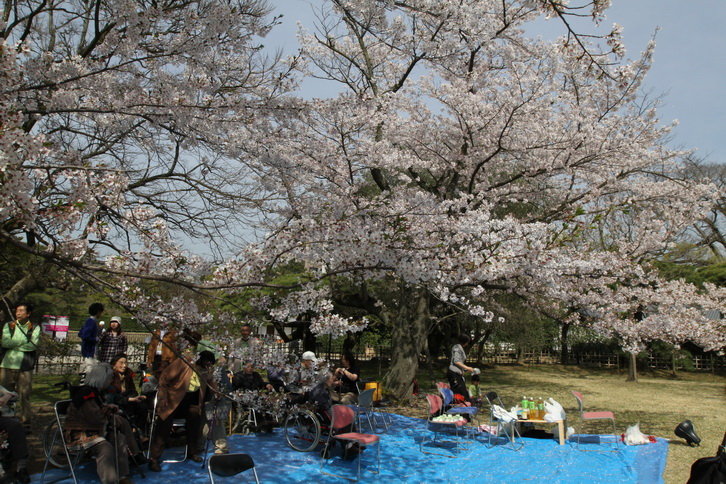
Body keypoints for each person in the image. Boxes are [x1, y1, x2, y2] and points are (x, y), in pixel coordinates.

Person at [65, 363, 136, 484]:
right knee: (105, 447)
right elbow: (95, 417)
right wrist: (109, 411)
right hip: (80, 434)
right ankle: (111, 481)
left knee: (119, 438)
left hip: (95, 431)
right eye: (109, 379)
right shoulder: (85, 394)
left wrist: (107, 408)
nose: (110, 381)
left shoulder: (96, 392)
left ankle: (122, 476)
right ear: (101, 378)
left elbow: (98, 412)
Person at [148, 350, 216, 472]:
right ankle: (154, 458)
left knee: (195, 420)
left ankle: (192, 452)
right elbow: (165, 377)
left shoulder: (205, 371)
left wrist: (217, 392)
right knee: (164, 425)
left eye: (209, 365)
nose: (207, 367)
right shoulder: (184, 362)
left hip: (192, 401)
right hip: (173, 399)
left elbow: (211, 383)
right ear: (200, 360)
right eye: (206, 364)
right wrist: (163, 396)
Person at [0, 302, 40, 426]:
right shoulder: (9, 325)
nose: (18, 313)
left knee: (24, 394)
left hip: (25, 366)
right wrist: (23, 341)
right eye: (17, 311)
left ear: (28, 313)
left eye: (21, 311)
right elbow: (5, 343)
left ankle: (25, 421)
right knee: (4, 394)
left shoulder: (34, 327)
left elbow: (32, 346)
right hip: (7, 365)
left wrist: (14, 344)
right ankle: (6, 420)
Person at [104, 354, 148, 433]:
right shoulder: (110, 376)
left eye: (125, 363)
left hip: (128, 399)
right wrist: (130, 398)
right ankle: (130, 429)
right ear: (114, 364)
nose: (124, 366)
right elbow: (113, 395)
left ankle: (139, 430)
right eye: (121, 363)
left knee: (143, 407)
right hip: (116, 401)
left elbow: (133, 390)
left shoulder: (127, 375)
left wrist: (136, 397)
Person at [0, 386, 29, 483]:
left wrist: (7, 396)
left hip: (4, 417)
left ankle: (21, 468)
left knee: (16, 427)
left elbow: (15, 395)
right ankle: (2, 473)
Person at [78, 302, 104, 378]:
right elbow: (85, 336)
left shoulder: (89, 321)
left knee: (89, 371)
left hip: (88, 351)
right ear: (98, 312)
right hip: (90, 351)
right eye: (101, 312)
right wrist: (95, 339)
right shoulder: (91, 322)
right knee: (90, 371)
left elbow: (80, 333)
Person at [447, 334, 475, 401]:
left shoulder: (460, 348)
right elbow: (456, 361)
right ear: (465, 342)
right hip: (453, 373)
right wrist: (467, 368)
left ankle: (466, 404)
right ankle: (459, 405)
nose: (467, 344)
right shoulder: (457, 348)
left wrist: (464, 370)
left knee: (464, 392)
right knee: (459, 392)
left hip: (458, 374)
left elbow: (460, 362)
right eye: (467, 342)